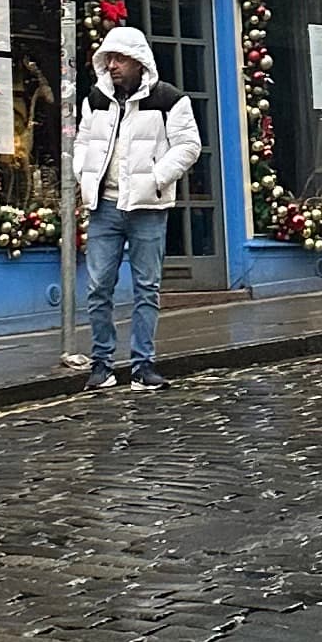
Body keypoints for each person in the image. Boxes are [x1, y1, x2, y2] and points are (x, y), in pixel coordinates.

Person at [70, 20, 199, 392]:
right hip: (105, 207)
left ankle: (143, 366)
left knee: (147, 287)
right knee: (98, 288)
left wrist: (156, 179)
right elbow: (82, 142)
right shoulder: (94, 100)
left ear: (139, 61)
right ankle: (101, 366)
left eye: (120, 59)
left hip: (148, 208)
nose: (112, 65)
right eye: (108, 58)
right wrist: (84, 174)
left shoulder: (169, 99)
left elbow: (188, 147)